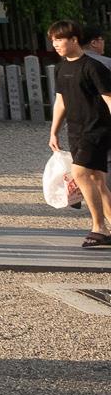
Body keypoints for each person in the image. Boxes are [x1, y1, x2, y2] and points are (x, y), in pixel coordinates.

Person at [47, 19, 111, 248]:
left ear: (74, 40)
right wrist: (54, 131)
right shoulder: (62, 68)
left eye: (59, 39)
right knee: (97, 180)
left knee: (80, 173)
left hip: (97, 129)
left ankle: (99, 227)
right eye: (53, 40)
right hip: (75, 130)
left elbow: (109, 99)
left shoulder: (93, 67)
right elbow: (60, 101)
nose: (55, 44)